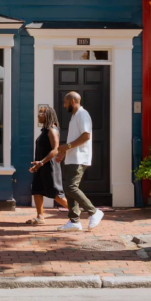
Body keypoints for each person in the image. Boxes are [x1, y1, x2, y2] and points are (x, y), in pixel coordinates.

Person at [55, 91, 103, 231]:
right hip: (72, 157)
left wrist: (67, 146)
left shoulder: (82, 114)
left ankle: (94, 211)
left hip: (80, 157)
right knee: (69, 189)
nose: (64, 106)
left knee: (71, 187)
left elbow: (86, 135)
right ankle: (74, 221)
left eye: (65, 102)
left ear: (73, 102)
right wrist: (63, 152)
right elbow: (74, 138)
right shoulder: (74, 116)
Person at [27, 104, 68, 225]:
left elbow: (55, 149)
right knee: (37, 190)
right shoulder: (45, 130)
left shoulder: (52, 130)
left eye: (42, 112)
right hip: (41, 165)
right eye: (39, 112)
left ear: (49, 115)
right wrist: (38, 164)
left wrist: (41, 162)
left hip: (49, 166)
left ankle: (75, 212)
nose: (39, 115)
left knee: (55, 193)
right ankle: (40, 217)